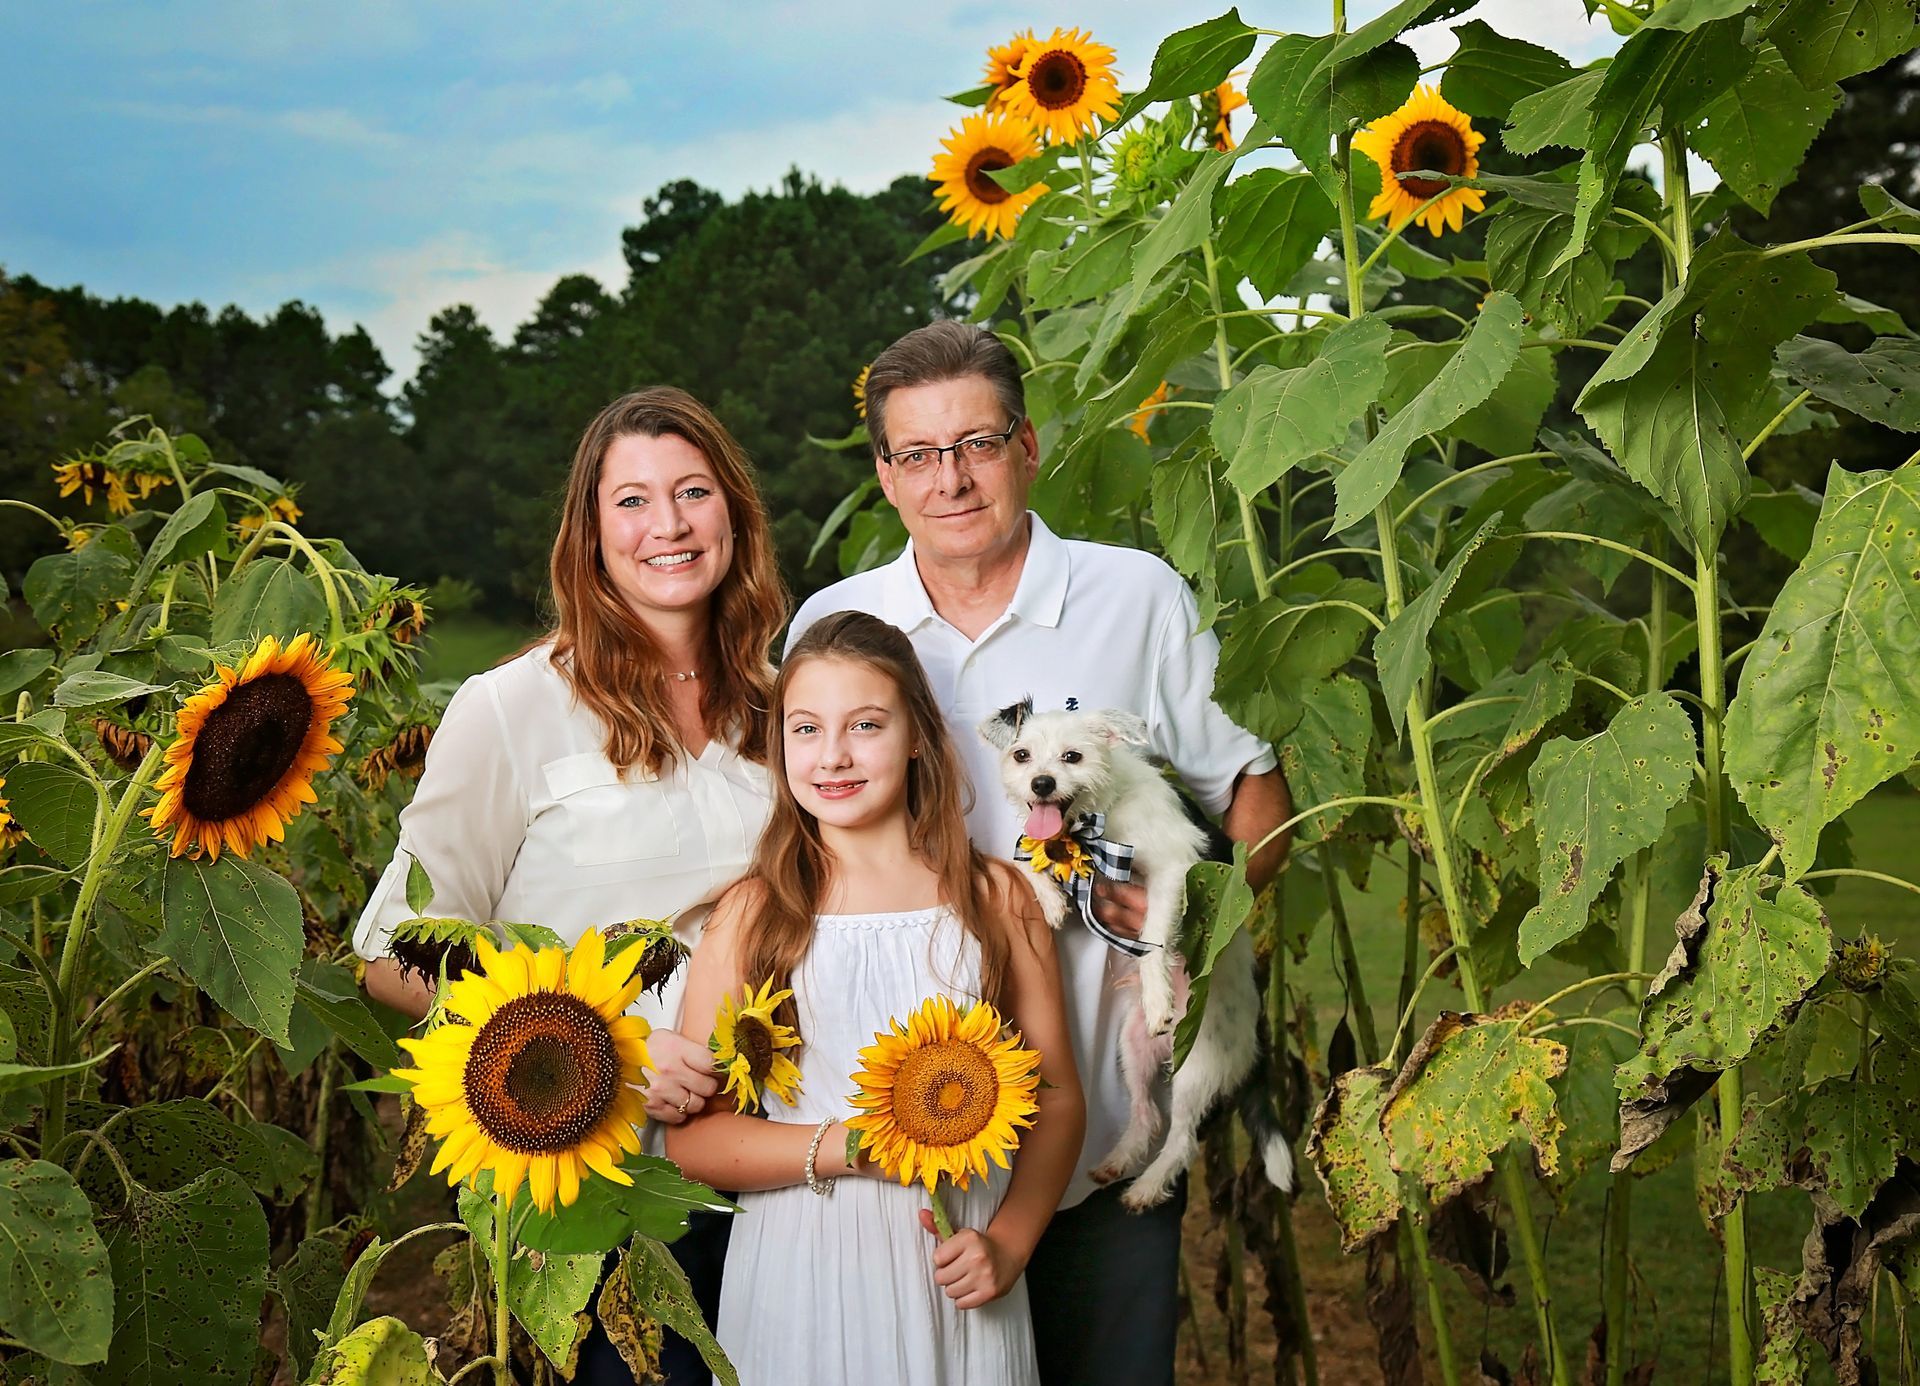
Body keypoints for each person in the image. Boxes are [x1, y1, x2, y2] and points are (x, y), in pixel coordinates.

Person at [786, 321, 1290, 1386]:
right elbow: (798, 846)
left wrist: (1186, 933)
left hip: (1104, 1115)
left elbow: (1249, 792)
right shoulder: (838, 621)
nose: (951, 478)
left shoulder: (1135, 597)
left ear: (1028, 447)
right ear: (883, 473)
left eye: (977, 442)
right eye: (918, 453)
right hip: (898, 1130)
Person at [352, 386, 786, 1385]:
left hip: (786, 1163)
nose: (668, 525)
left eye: (693, 492)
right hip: (604, 1183)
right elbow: (388, 955)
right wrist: (610, 1052)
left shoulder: (785, 699)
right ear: (589, 536)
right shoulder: (512, 707)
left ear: (735, 512)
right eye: (631, 501)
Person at [668, 611, 1083, 1386]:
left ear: (920, 735)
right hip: (800, 1276)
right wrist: (858, 1148)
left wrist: (1012, 1242)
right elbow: (696, 1144)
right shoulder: (755, 916)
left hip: (957, 1276)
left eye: (865, 724)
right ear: (780, 744)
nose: (833, 755)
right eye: (805, 729)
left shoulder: (993, 898)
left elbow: (1055, 1100)